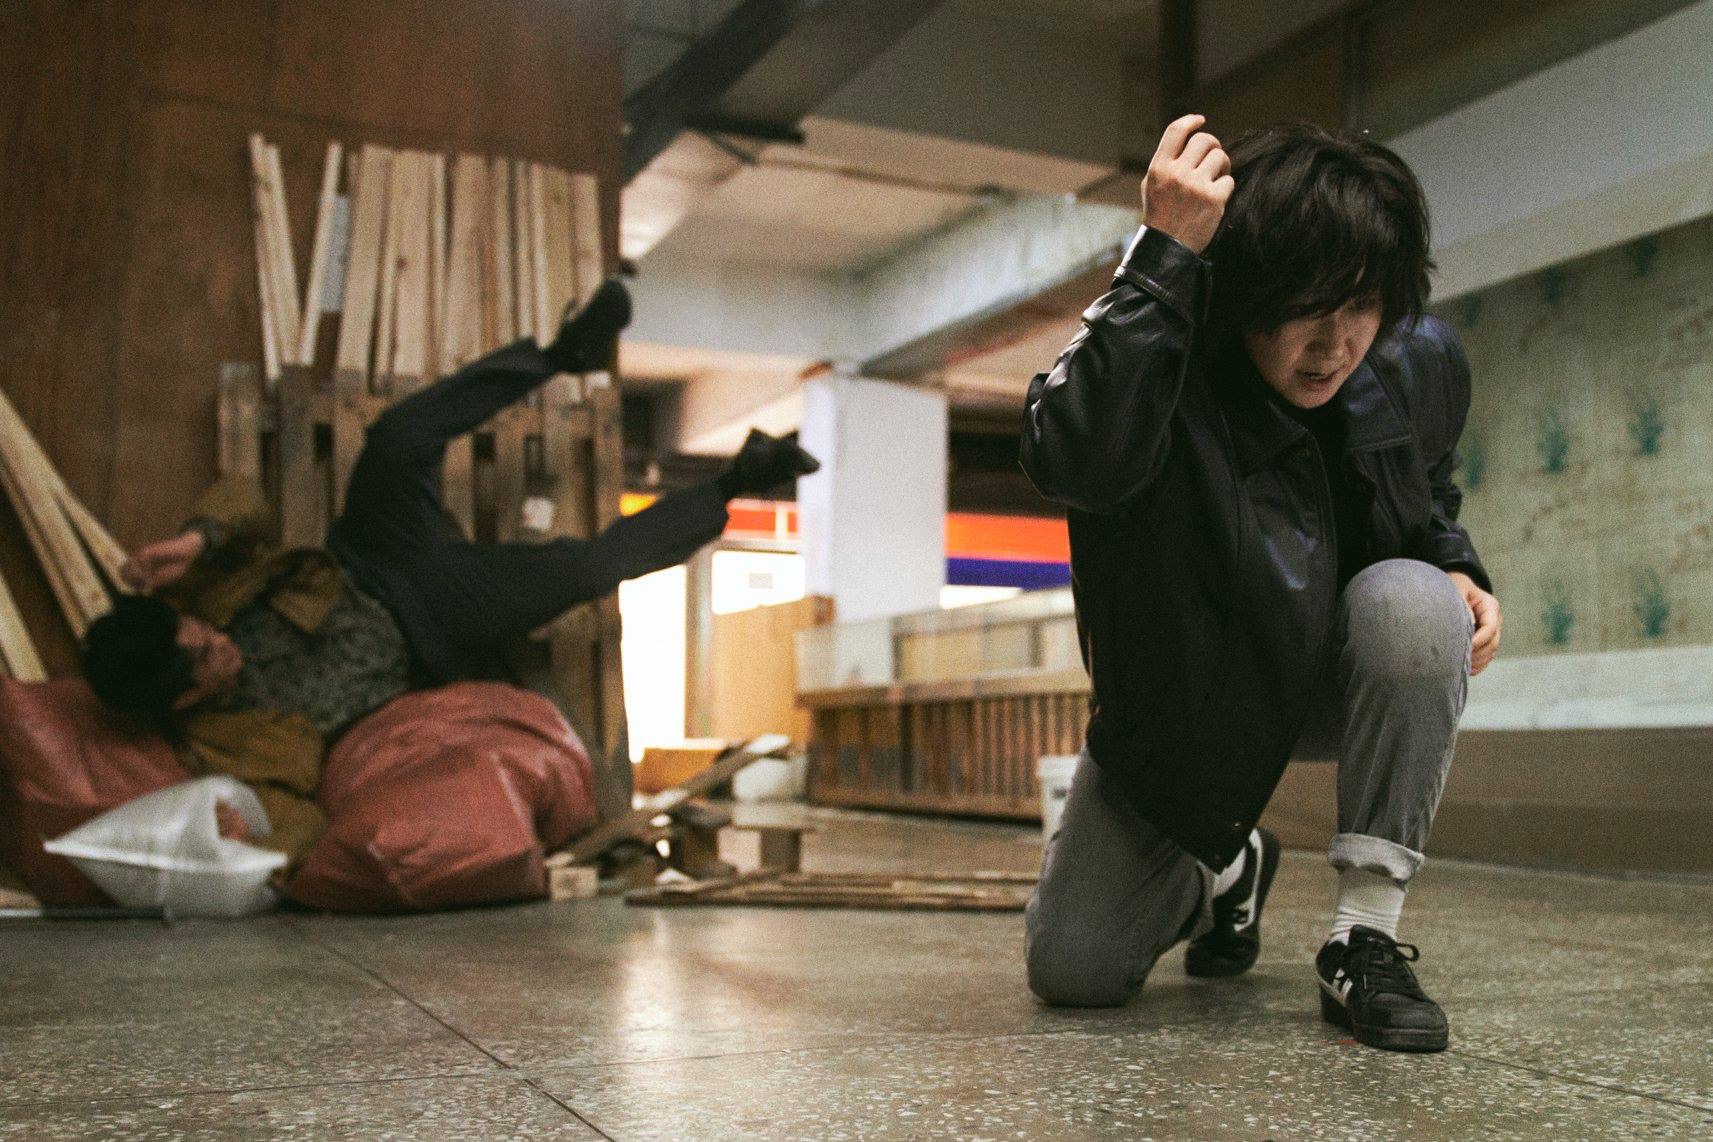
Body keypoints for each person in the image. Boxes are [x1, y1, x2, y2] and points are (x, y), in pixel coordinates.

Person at [1019, 114, 1501, 1053]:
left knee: (1414, 603)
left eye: (1360, 306)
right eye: (1301, 308)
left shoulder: (1419, 365)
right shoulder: (1161, 367)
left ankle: (1363, 935)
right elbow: (1074, 459)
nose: (1333, 344)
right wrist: (1161, 252)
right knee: (1072, 971)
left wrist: (1453, 560)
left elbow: (1422, 489)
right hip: (1187, 701)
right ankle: (1229, 870)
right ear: (1243, 294)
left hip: (1322, 674)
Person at [79, 279, 819, 866]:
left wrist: (198, 538)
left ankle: (562, 354)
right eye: (205, 660)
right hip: (431, 627)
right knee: (587, 568)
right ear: (182, 699)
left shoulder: (198, 600)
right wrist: (256, 843)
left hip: (372, 554)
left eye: (201, 632)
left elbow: (244, 503)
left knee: (396, 439)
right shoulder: (222, 744)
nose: (218, 643)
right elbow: (299, 815)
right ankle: (739, 480)